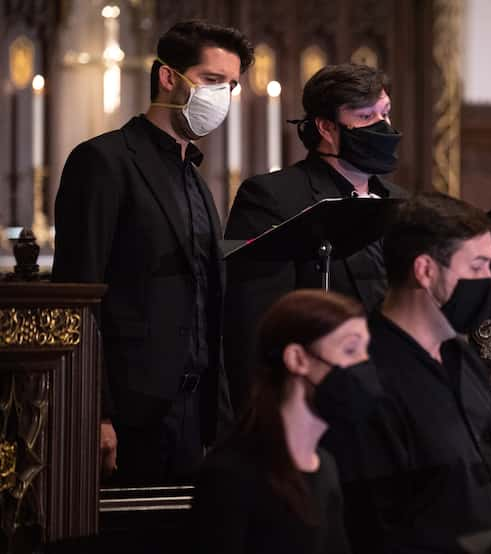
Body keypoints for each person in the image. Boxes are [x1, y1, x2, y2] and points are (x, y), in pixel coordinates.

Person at [51, 21, 254, 484]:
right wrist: (95, 414)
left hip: (195, 412)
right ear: (168, 78)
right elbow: (78, 296)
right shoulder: (104, 161)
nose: (223, 95)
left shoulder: (197, 179)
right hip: (129, 412)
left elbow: (205, 297)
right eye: (211, 80)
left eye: (232, 85)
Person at [322, 193, 491, 553]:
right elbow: (375, 527)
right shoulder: (362, 380)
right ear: (425, 270)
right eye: (477, 267)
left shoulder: (462, 357)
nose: (489, 281)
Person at [223, 63, 408, 411]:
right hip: (316, 400)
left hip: (394, 399)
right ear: (326, 126)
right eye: (367, 117)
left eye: (385, 113)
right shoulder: (273, 197)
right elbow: (254, 324)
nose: (383, 127)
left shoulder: (400, 202)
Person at [192, 290, 360, 554]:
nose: (362, 365)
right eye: (350, 349)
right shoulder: (231, 474)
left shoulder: (325, 465)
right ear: (297, 359)